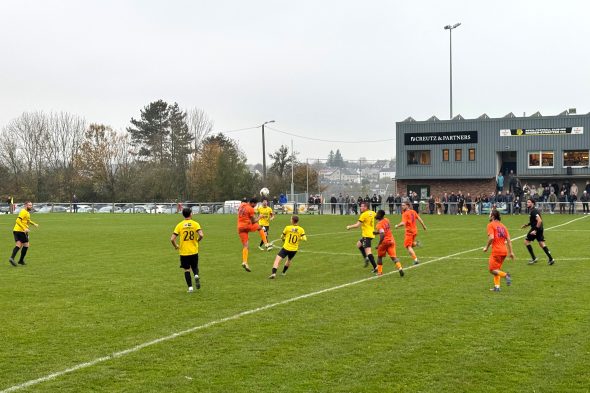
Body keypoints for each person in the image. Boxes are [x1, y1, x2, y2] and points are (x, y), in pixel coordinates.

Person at [170, 207, 204, 293]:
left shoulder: (179, 225)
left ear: (183, 215)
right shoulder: (195, 224)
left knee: (187, 269)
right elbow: (201, 235)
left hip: (184, 252)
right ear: (191, 214)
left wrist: (176, 246)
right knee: (195, 266)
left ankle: (190, 288)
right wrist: (197, 240)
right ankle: (196, 275)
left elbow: (172, 239)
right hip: (194, 250)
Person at [483, 209, 514, 292]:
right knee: (497, 269)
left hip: (496, 251)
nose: (489, 215)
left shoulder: (491, 225)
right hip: (504, 251)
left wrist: (486, 247)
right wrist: (511, 252)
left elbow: (491, 237)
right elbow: (509, 240)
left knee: (492, 270)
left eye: (490, 214)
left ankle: (506, 275)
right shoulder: (503, 226)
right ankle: (497, 287)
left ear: (493, 216)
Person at [238, 197, 270, 272]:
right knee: (260, 228)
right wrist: (260, 217)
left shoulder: (242, 205)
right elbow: (254, 221)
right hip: (247, 225)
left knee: (246, 246)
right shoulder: (250, 209)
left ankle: (245, 262)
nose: (255, 206)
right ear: (253, 203)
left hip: (240, 227)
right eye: (255, 205)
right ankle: (266, 244)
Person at [521, 198, 555, 265]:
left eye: (529, 202)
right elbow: (534, 221)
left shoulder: (534, 211)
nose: (527, 203)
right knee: (541, 243)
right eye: (527, 202)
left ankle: (534, 258)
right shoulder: (533, 210)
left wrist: (535, 230)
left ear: (532, 203)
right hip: (540, 228)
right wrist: (527, 225)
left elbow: (539, 221)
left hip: (536, 229)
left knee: (526, 241)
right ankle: (551, 259)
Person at [346, 201, 377, 272]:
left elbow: (357, 225)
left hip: (367, 235)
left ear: (366, 207)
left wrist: (349, 227)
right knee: (359, 244)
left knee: (368, 251)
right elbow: (378, 217)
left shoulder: (364, 214)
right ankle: (366, 258)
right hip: (371, 234)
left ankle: (376, 267)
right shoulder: (372, 212)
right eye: (360, 206)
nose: (360, 207)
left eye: (362, 206)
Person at [374, 210, 404, 277]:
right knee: (393, 257)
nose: (376, 215)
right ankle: (400, 268)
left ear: (379, 215)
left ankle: (379, 272)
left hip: (385, 242)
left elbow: (382, 234)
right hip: (391, 240)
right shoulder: (387, 220)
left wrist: (378, 244)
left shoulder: (379, 224)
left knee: (379, 257)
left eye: (377, 213)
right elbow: (385, 230)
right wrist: (377, 232)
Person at [9, 201, 38, 266]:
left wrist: (34, 224)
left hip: (16, 230)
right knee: (26, 245)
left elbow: (27, 220)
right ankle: (21, 260)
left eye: (31, 205)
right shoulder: (23, 211)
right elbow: (18, 220)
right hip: (21, 231)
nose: (31, 206)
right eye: (29, 205)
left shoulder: (27, 213)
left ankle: (12, 258)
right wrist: (24, 228)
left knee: (18, 245)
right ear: (25, 205)